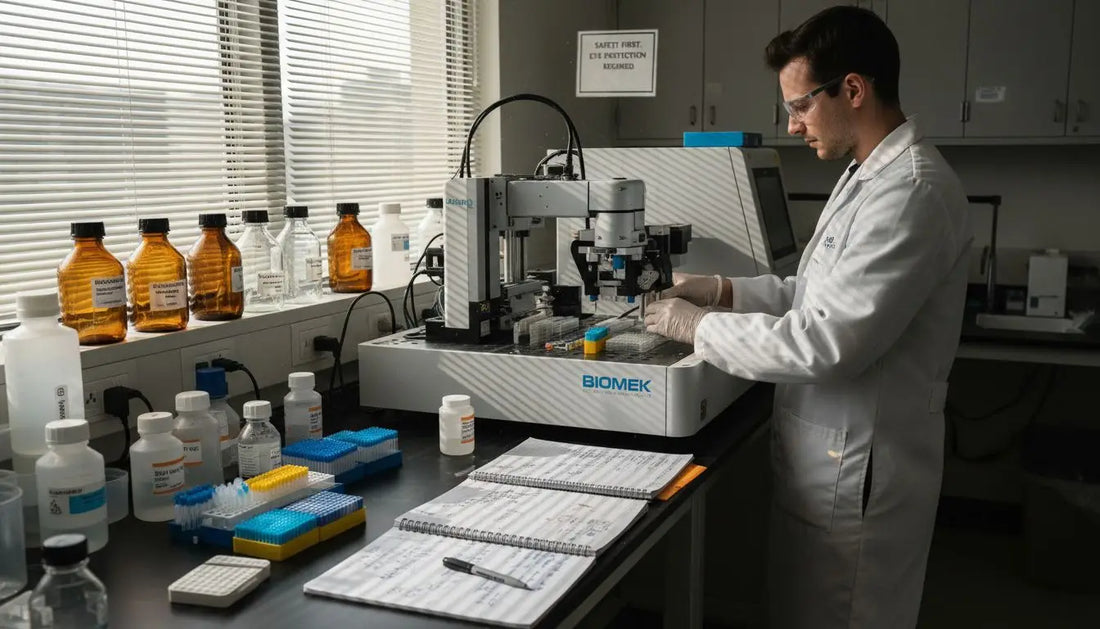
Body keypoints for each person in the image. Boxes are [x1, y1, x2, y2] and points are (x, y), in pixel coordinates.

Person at [644, 6, 972, 628]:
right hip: (830, 462)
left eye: (799, 106)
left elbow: (827, 341)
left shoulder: (911, 191)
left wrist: (696, 326)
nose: (792, 126)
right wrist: (720, 290)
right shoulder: (866, 177)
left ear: (852, 88)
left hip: (860, 475)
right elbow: (814, 293)